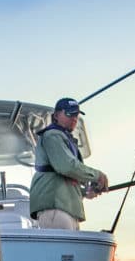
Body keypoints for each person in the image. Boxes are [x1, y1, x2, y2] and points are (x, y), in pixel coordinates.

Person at [29, 97, 108, 230]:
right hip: (56, 210)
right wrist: (98, 175)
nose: (74, 118)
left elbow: (65, 178)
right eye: (69, 114)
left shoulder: (62, 137)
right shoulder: (53, 136)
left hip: (66, 211)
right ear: (56, 115)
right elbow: (66, 167)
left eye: (76, 115)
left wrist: (84, 192)